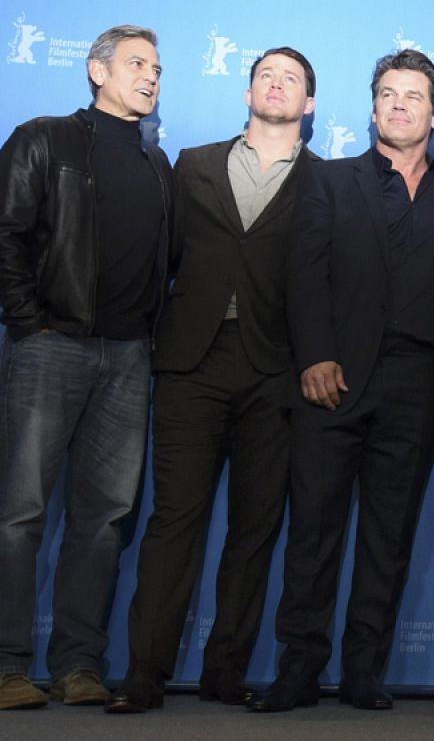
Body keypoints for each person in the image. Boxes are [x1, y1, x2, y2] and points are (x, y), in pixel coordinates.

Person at [248, 48, 434, 713]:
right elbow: (303, 275)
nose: (400, 104)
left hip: (417, 388)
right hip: (335, 380)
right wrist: (315, 355)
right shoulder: (330, 182)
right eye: (388, 93)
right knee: (314, 532)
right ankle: (298, 669)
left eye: (413, 95)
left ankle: (362, 670)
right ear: (373, 105)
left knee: (389, 536)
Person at [107, 48, 321, 714]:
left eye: (291, 78)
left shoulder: (327, 182)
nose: (276, 84)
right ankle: (143, 675)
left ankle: (224, 671)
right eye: (266, 74)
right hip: (189, 364)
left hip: (276, 369)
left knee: (256, 529)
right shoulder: (192, 164)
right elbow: (157, 261)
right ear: (247, 89)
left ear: (309, 104)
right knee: (174, 521)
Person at [0, 25, 171, 709]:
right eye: (137, 62)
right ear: (96, 69)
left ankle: (79, 665)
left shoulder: (156, 163)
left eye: (157, 67)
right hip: (51, 348)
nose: (150, 76)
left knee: (105, 518)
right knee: (19, 511)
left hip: (128, 358)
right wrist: (33, 321)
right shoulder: (43, 138)